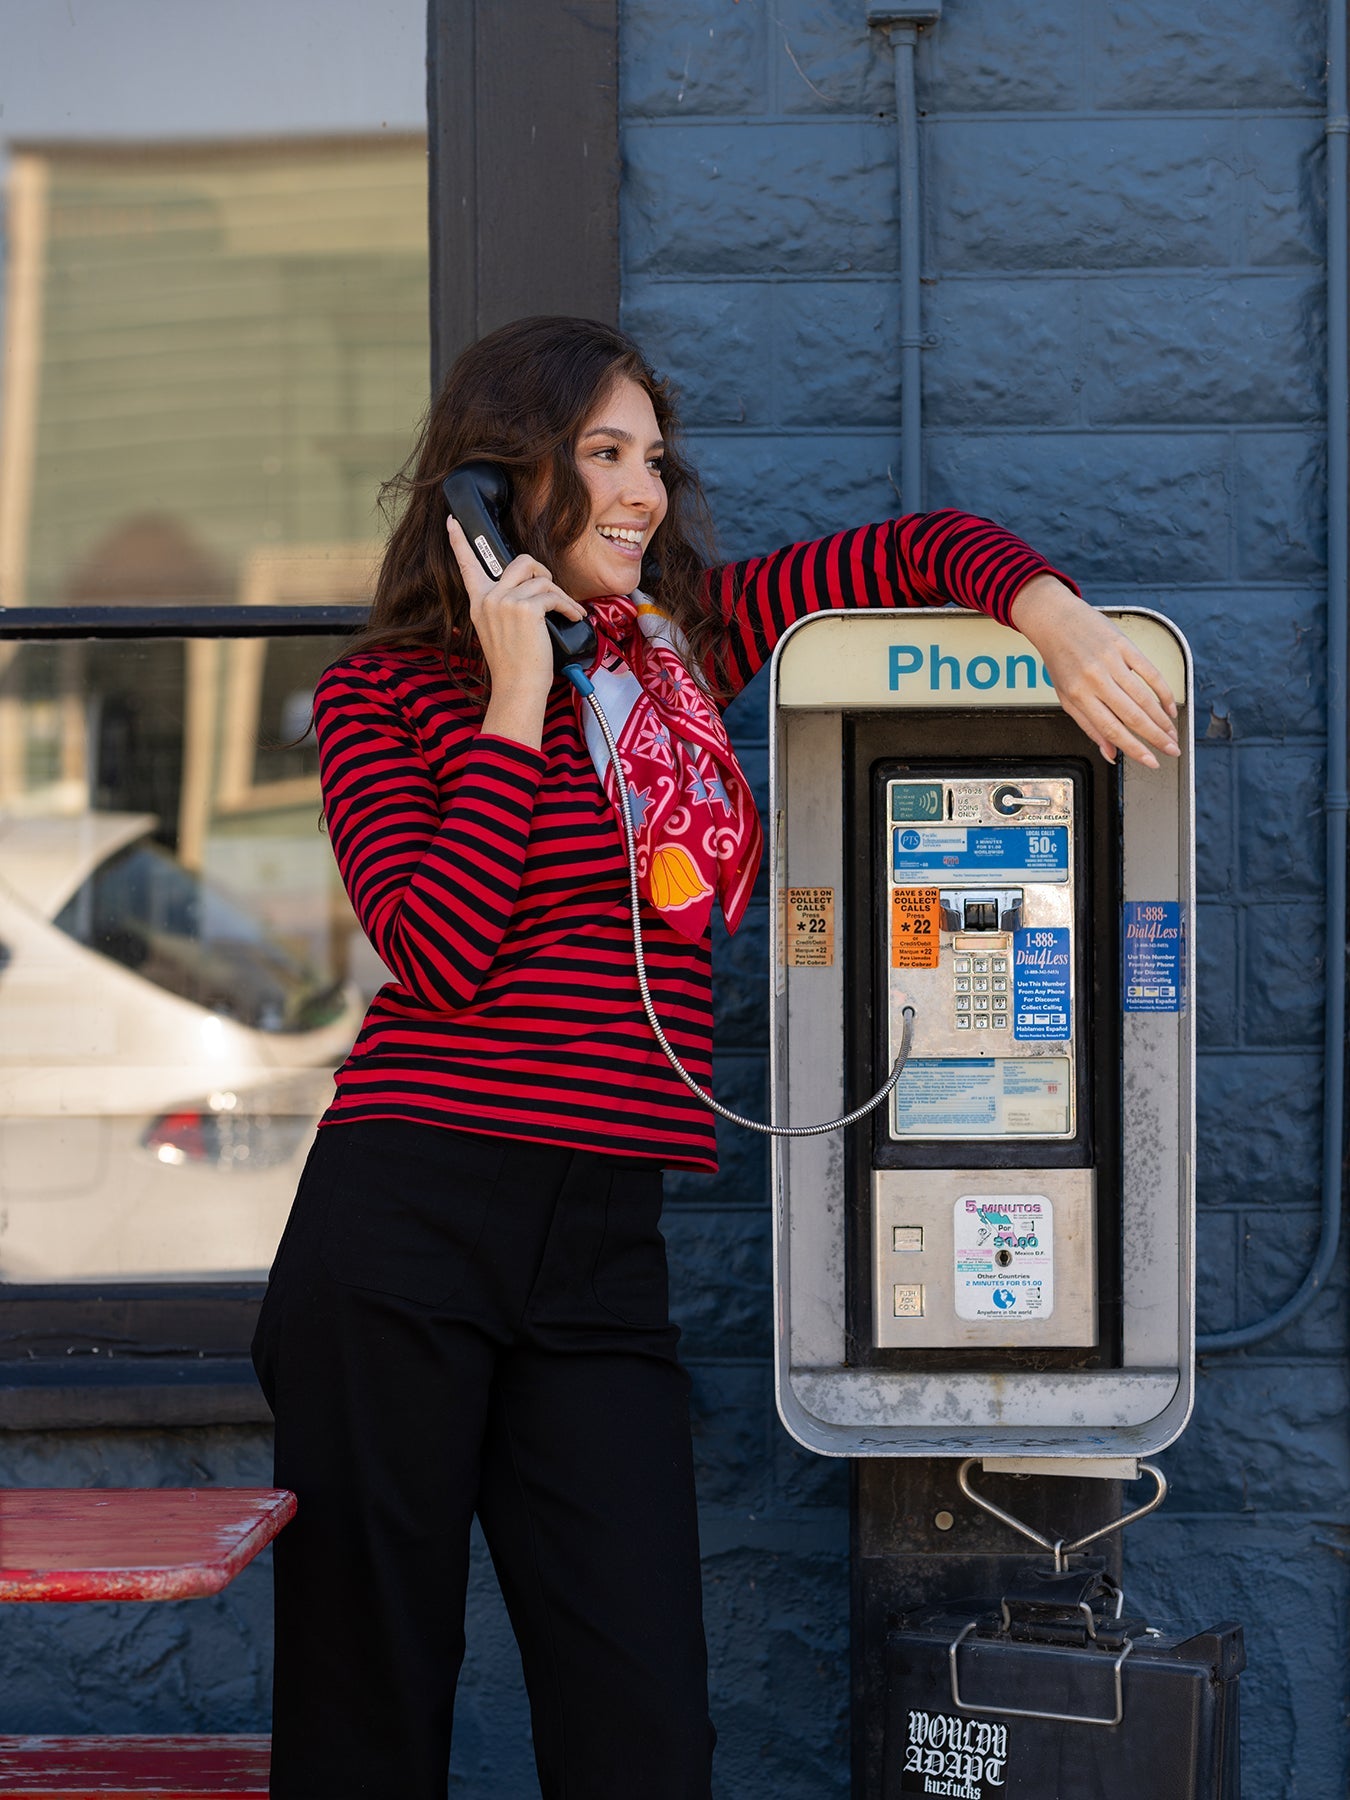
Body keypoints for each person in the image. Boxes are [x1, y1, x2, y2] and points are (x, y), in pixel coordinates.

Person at [251, 315, 1179, 1800]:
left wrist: (1053, 620)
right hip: (404, 1229)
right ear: (499, 485)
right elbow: (437, 950)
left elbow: (917, 548)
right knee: (370, 1718)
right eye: (603, 455)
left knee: (643, 1732)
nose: (642, 494)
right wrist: (512, 691)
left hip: (601, 1246)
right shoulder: (384, 699)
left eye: (655, 463)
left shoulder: (681, 657)